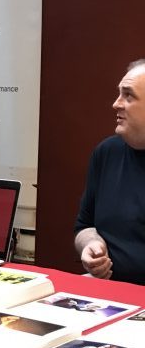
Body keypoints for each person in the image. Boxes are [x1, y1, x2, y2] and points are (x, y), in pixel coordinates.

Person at [75, 59, 145, 284]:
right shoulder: (107, 152)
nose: (116, 104)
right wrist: (90, 245)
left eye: (128, 95)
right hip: (109, 290)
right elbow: (84, 226)